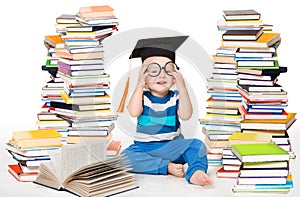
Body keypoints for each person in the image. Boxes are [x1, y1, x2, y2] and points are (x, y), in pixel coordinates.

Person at [121, 36, 213, 186]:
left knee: (197, 145)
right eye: (153, 71)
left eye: (168, 70)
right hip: (145, 148)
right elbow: (133, 111)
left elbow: (186, 115)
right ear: (143, 76)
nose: (162, 75)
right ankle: (165, 166)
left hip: (173, 147)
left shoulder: (175, 97)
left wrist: (182, 87)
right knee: (125, 158)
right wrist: (139, 85)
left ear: (175, 77)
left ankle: (196, 172)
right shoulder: (143, 97)